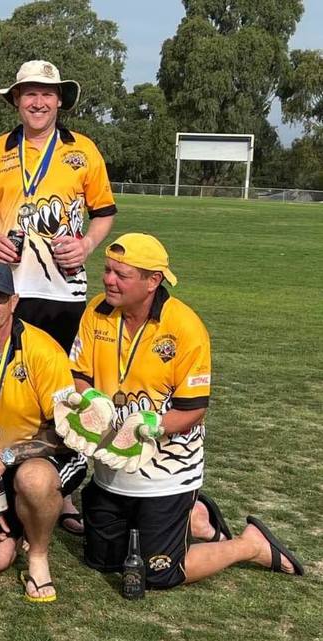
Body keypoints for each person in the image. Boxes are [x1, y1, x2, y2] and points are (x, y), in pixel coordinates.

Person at [70, 233, 304, 588]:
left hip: (167, 470)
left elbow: (193, 411)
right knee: (102, 563)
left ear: (153, 281)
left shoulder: (185, 327)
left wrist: (147, 427)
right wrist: (92, 403)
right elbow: (79, 374)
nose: (108, 280)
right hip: (110, 471)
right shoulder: (97, 310)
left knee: (156, 574)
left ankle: (249, 545)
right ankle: (195, 518)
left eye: (121, 274)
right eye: (107, 270)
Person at [0, 59, 117, 532]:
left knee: (62, 396)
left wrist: (87, 244)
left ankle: (59, 490)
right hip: (10, 290)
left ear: (60, 100)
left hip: (64, 292)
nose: (39, 101)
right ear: (16, 100)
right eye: (29, 93)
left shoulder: (82, 151)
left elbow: (105, 212)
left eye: (47, 93)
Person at [0, 261, 86, 603]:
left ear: (14, 301)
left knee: (33, 480)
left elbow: (66, 434)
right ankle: (23, 521)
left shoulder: (44, 351)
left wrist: (7, 455)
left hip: (50, 457)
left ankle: (38, 554)